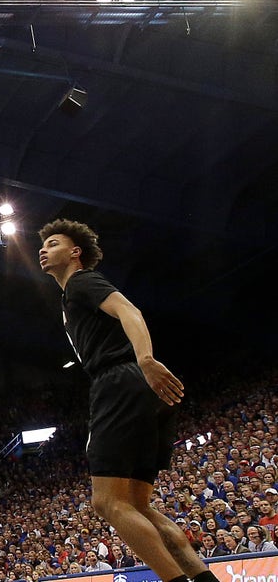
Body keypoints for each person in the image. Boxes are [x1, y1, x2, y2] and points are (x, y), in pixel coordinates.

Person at [37, 219, 218, 582]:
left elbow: (130, 312)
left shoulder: (81, 281)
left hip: (120, 380)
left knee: (106, 501)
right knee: (138, 505)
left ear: (75, 253)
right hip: (143, 389)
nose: (43, 249)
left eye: (53, 243)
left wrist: (146, 359)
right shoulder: (70, 294)